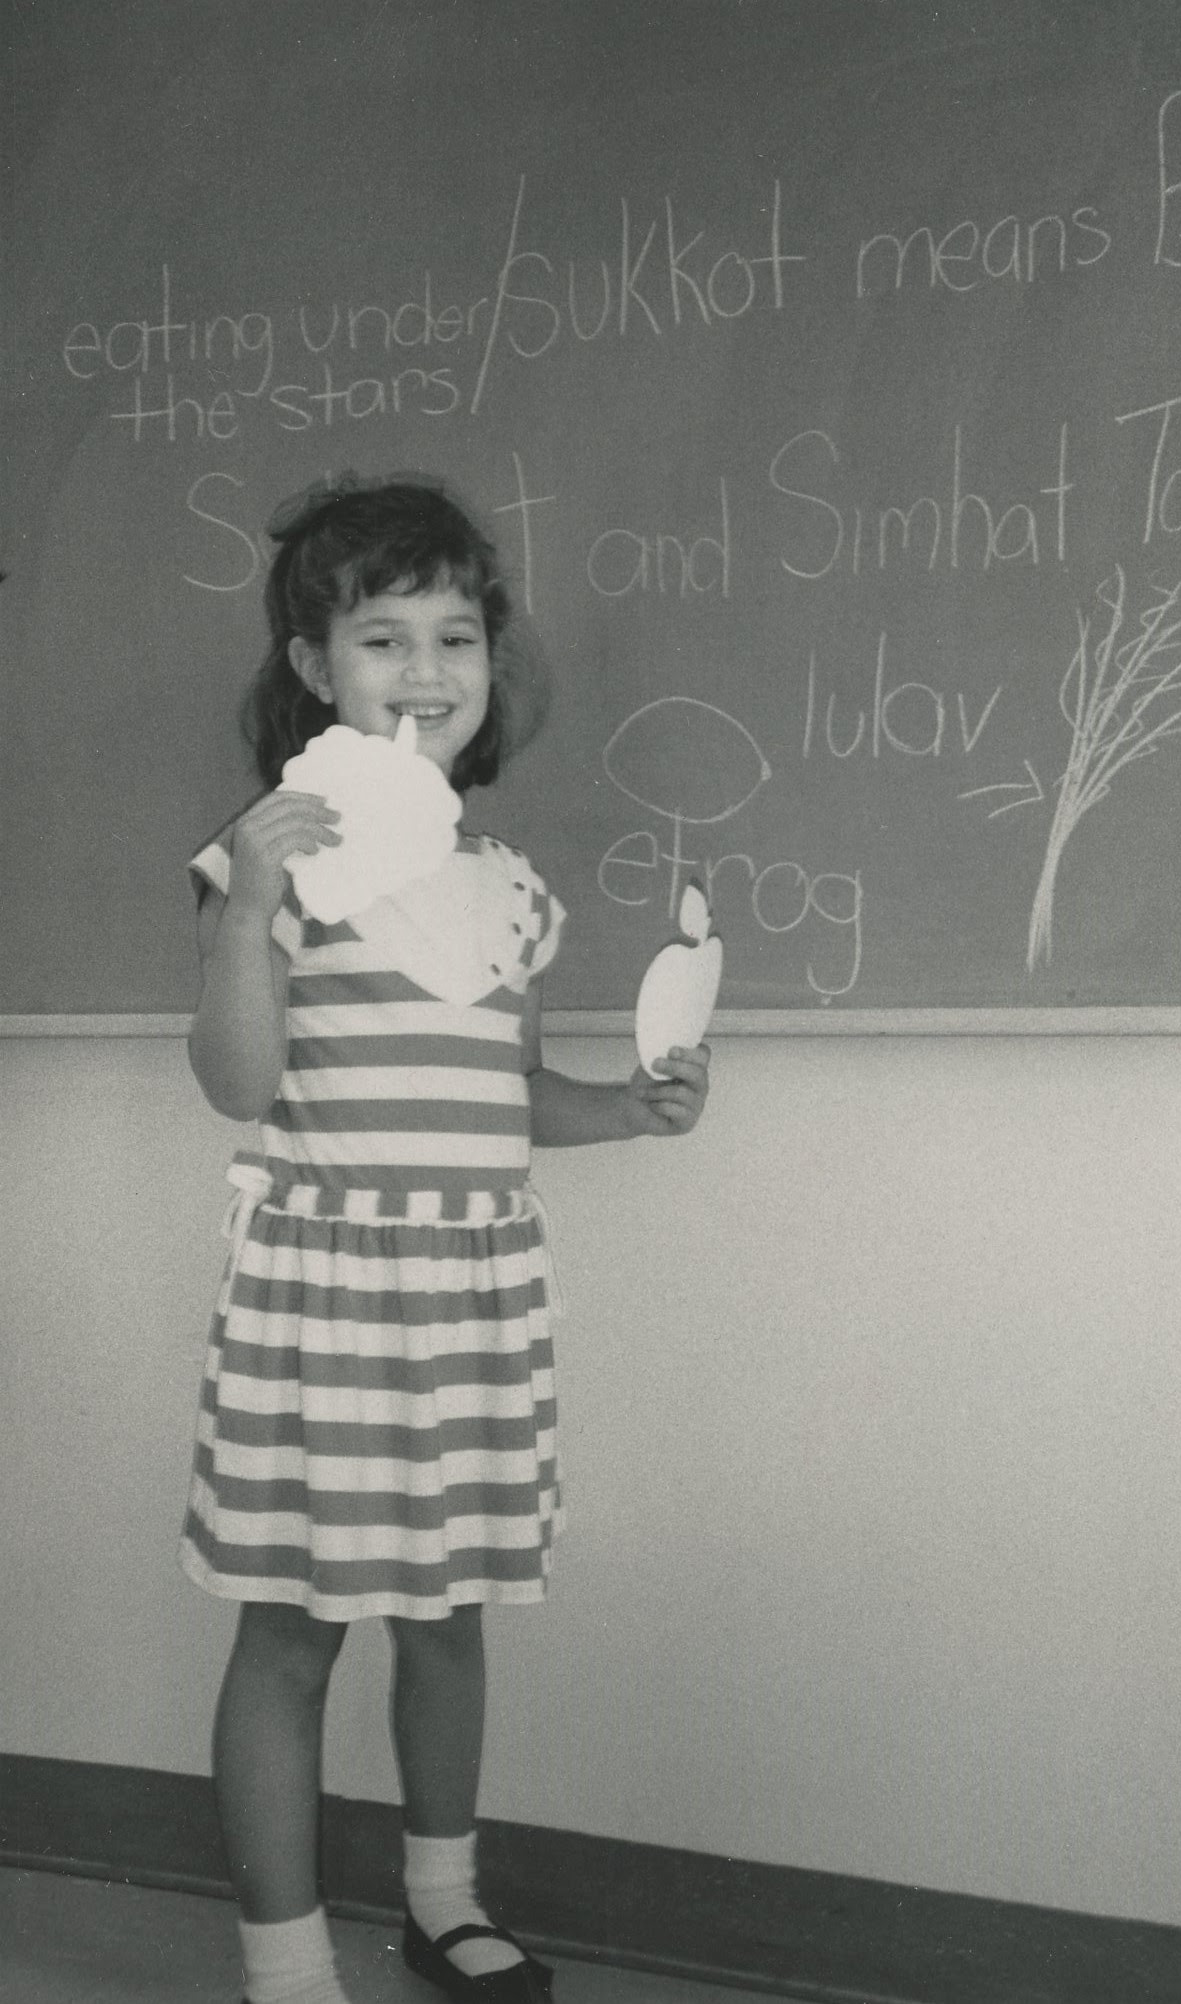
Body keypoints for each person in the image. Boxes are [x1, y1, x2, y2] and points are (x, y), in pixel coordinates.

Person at [181, 475, 711, 2004]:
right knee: (290, 1634)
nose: (425, 669)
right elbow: (238, 1084)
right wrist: (254, 897)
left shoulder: (507, 889)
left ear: (488, 667)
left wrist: (629, 1110)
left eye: (455, 636)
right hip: (327, 1295)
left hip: (475, 1296)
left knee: (450, 1618)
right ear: (314, 671)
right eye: (382, 637)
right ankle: (283, 1958)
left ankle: (442, 1901)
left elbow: (509, 1094)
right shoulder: (262, 867)